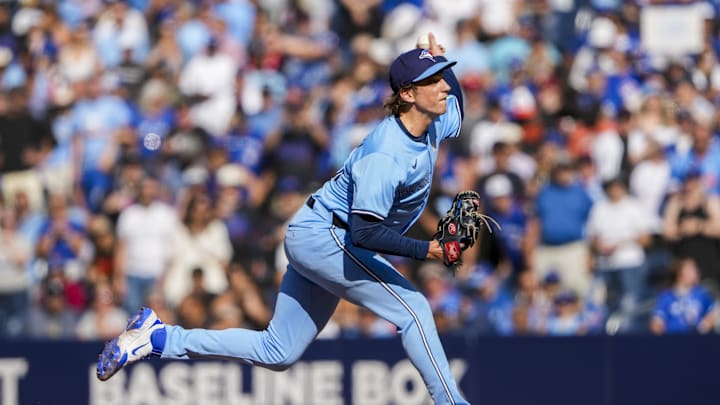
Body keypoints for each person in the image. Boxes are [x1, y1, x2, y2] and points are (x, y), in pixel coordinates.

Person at [97, 33, 471, 404]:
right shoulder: (386, 153)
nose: (444, 88)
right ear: (408, 94)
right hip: (330, 237)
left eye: (443, 78)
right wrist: (429, 250)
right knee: (414, 310)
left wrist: (440, 59)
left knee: (278, 351)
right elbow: (366, 232)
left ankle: (158, 338)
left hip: (321, 235)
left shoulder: (431, 122)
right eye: (434, 81)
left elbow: (459, 109)